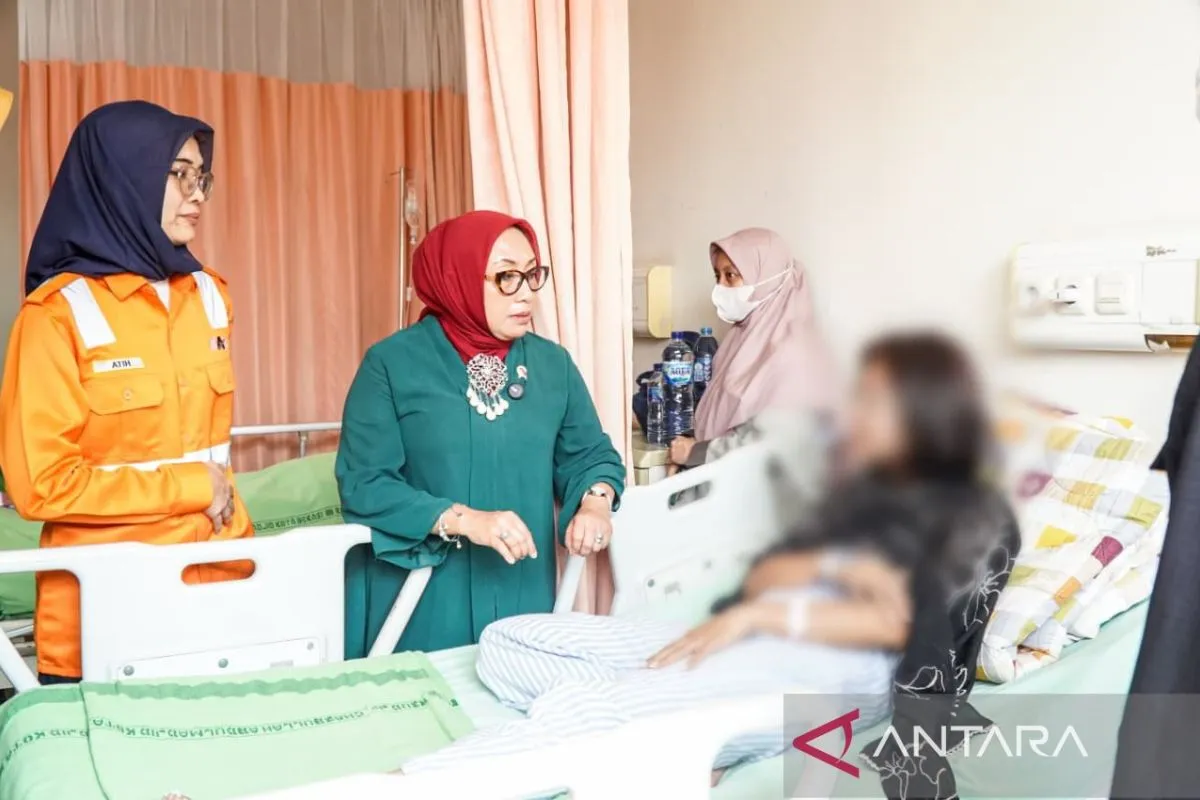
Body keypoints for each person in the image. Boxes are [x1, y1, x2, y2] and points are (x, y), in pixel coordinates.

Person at [397, 331, 1020, 800]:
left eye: (875, 399)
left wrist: (773, 611)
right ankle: (653, 715)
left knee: (581, 713)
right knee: (505, 642)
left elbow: (897, 626)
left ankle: (407, 785)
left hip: (834, 672)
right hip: (759, 633)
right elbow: (775, 573)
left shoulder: (968, 513)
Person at [0, 100, 249, 684]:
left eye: (202, 176)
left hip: (222, 581)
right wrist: (191, 486)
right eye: (179, 174)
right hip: (109, 606)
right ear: (123, 177)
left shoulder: (211, 295)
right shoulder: (55, 316)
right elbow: (40, 485)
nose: (197, 195)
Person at [335, 210, 625, 658]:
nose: (526, 293)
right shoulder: (391, 365)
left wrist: (596, 502)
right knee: (430, 695)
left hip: (520, 588)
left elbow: (588, 454)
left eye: (532, 275)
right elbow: (364, 484)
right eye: (507, 277)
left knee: (518, 686)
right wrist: (464, 521)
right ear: (458, 278)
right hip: (423, 594)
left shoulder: (552, 365)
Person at [668, 227, 837, 474]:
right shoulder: (742, 337)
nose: (720, 286)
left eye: (731, 276)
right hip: (722, 478)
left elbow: (771, 441)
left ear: (766, 278)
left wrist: (695, 452)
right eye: (717, 276)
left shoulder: (794, 353)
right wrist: (688, 448)